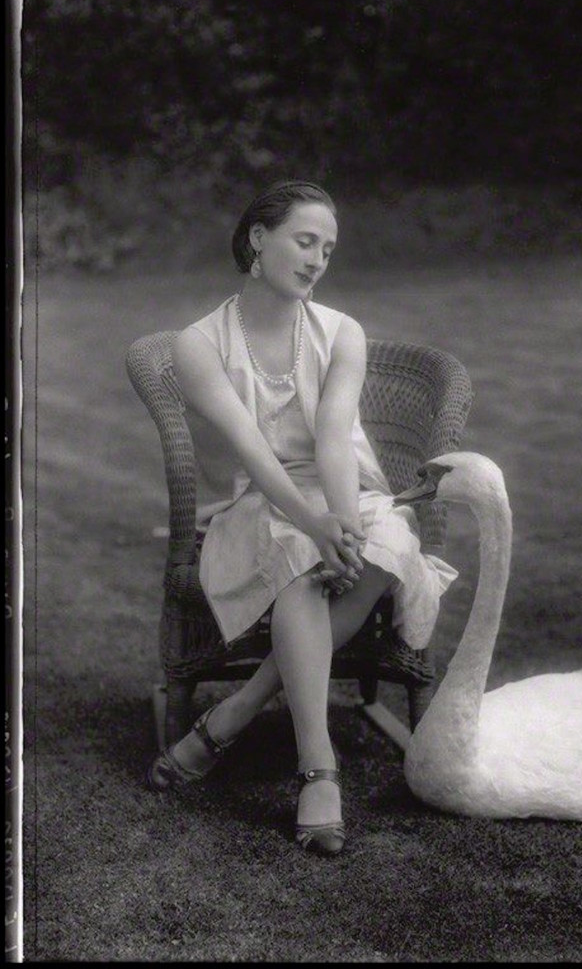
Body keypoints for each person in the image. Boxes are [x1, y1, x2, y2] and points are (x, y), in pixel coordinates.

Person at [145, 180, 457, 856]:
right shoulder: (198, 344)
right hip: (255, 501)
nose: (317, 260)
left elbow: (334, 438)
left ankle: (235, 711)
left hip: (344, 489)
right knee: (300, 556)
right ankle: (319, 767)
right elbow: (254, 454)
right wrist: (317, 530)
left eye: (328, 249)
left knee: (386, 540)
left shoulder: (341, 331)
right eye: (305, 241)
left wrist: (344, 524)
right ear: (259, 238)